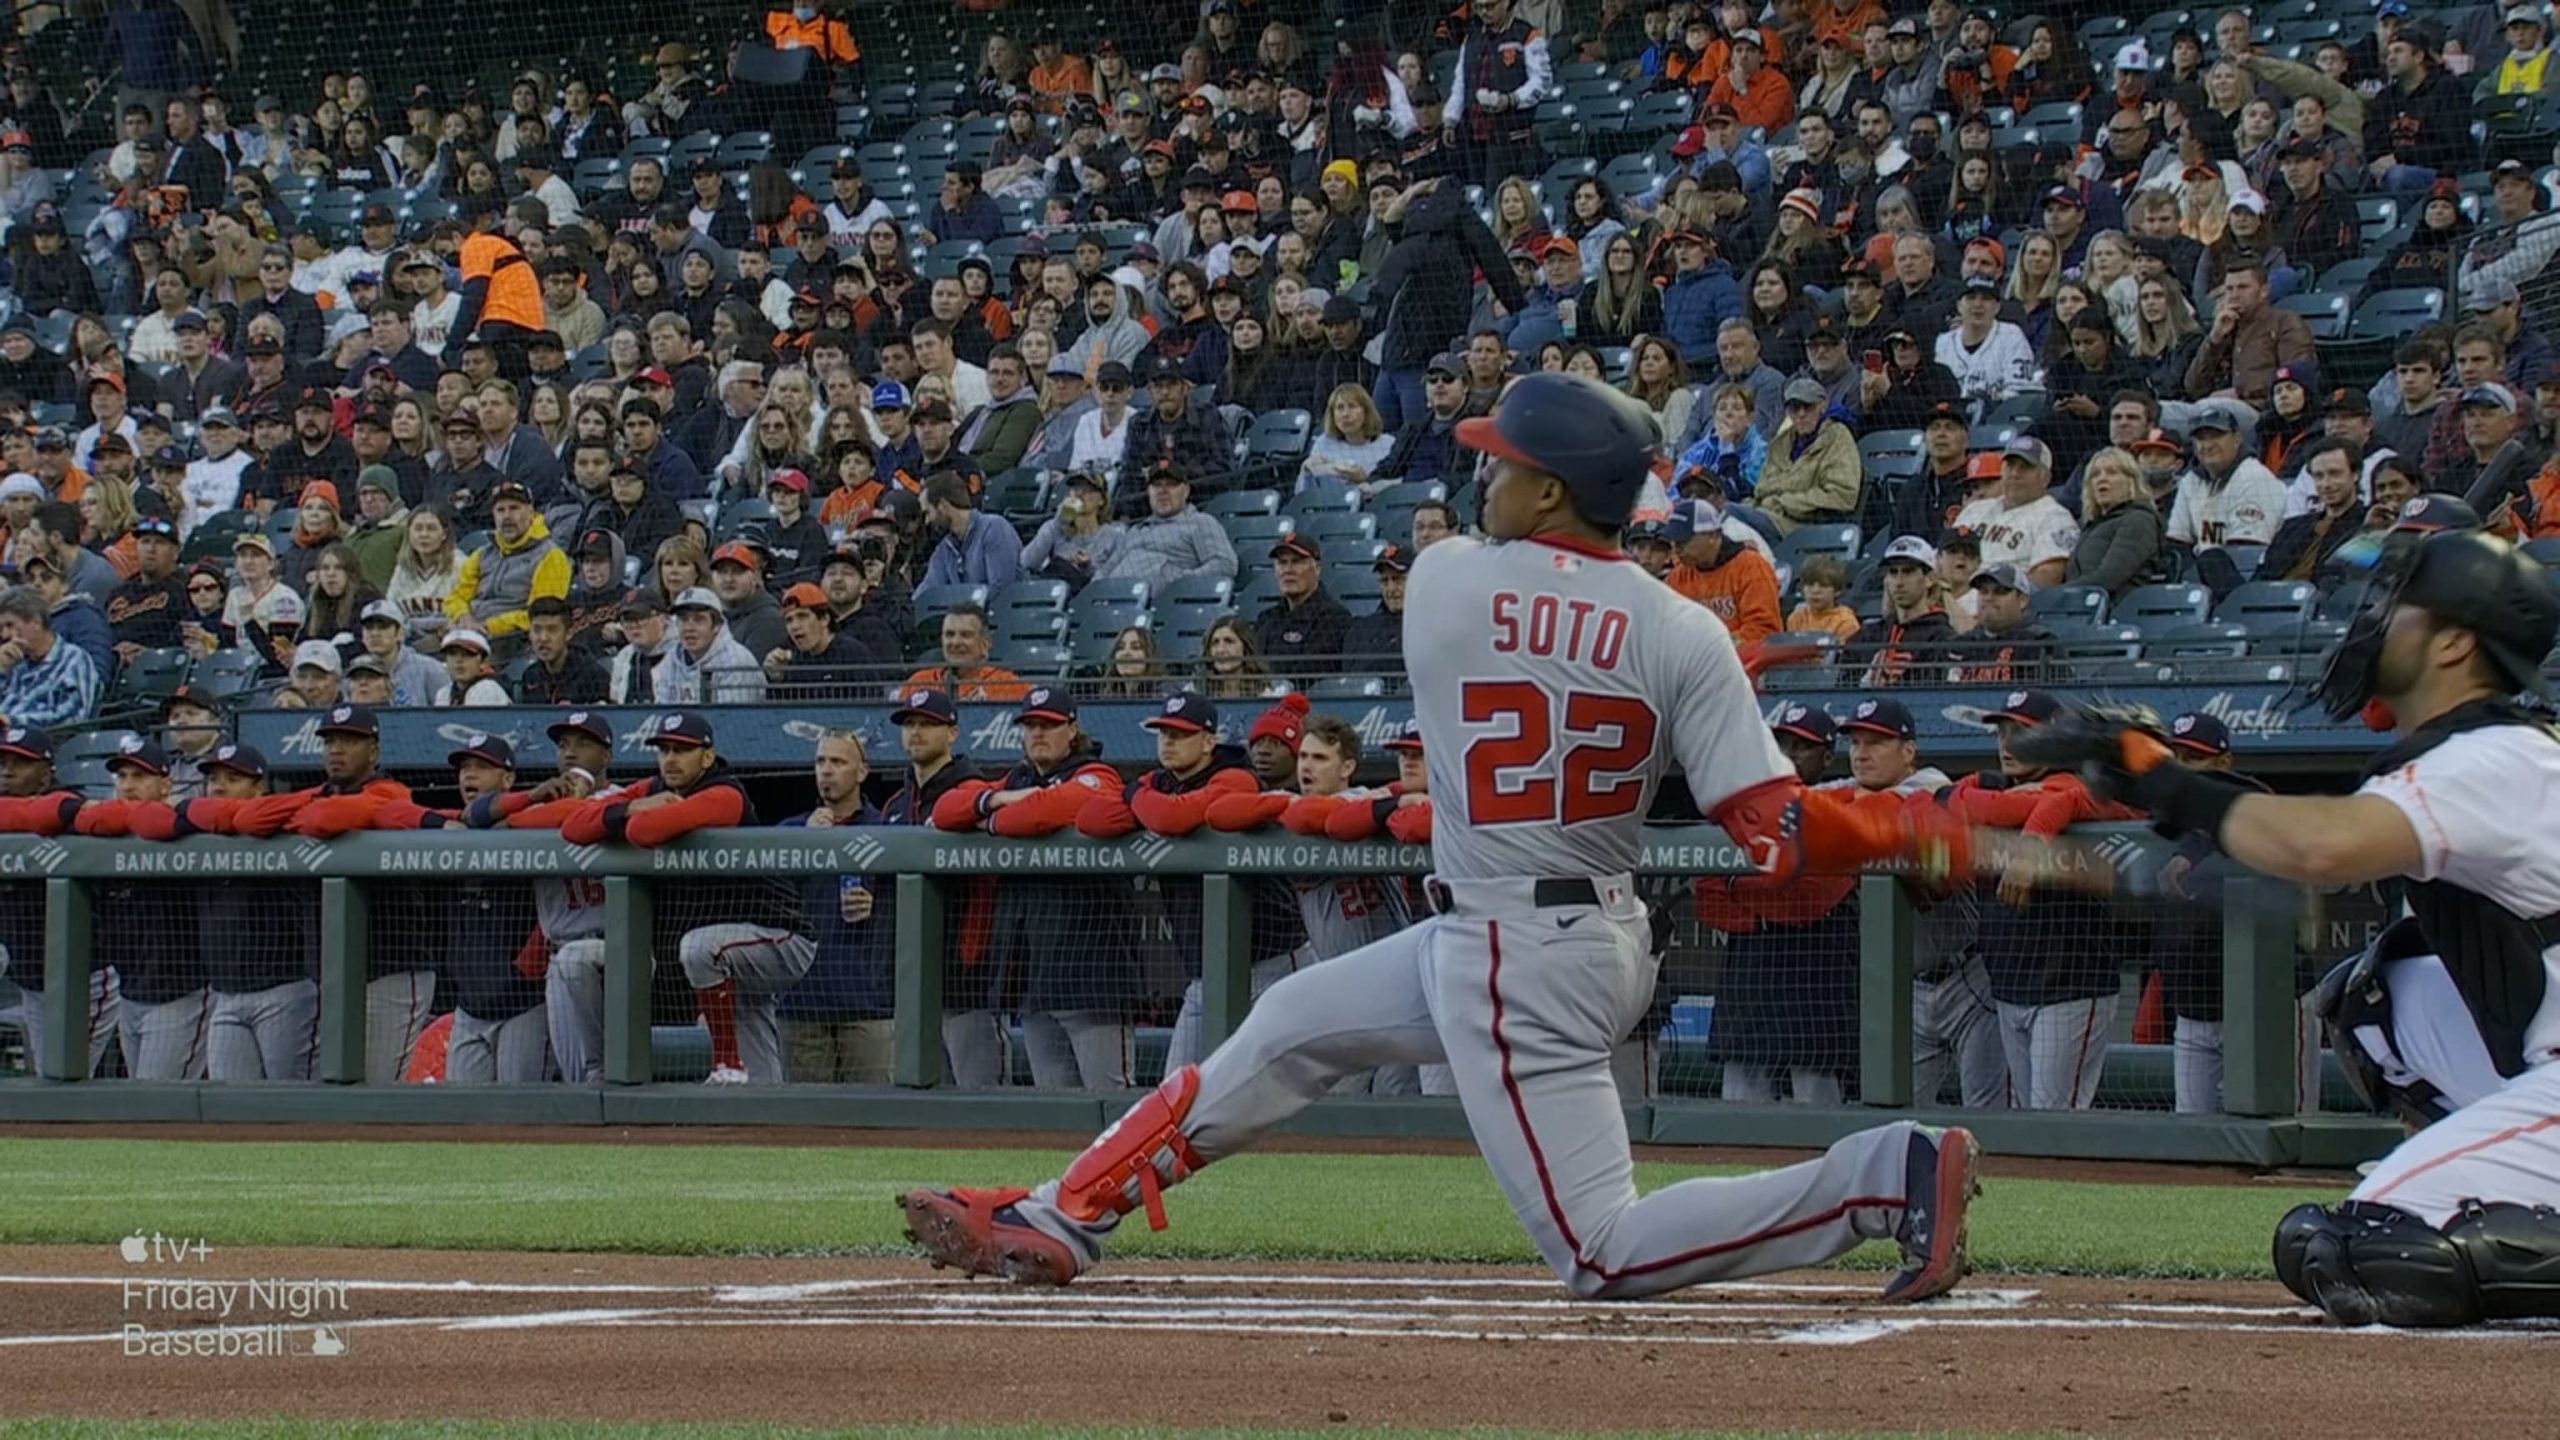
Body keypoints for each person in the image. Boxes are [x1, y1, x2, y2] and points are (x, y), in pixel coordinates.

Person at [899, 371, 1988, 1302]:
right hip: (1564, 935)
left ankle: (1880, 1178)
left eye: (1505, 462)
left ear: (1553, 488)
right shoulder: (1684, 630)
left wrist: (1678, 674)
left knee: (1600, 1252)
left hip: (1518, 955)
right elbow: (1776, 831)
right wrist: (1920, 835)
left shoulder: (1446, 577)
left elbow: (1542, 652)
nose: (1484, 474)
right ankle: (1062, 1214)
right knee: (1288, 1026)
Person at [2006, 529, 2560, 1327]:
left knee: (2366, 1248)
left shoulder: (2494, 752)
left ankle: (2475, 1195)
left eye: (2397, 605)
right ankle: (2496, 1177)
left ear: (2454, 644)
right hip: (2540, 1055)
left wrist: (2157, 776)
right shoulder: (2479, 750)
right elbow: (2315, 859)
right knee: (2378, 998)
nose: (2371, 619)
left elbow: (2318, 846)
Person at [555, 710, 794, 1085]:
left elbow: (643, 832)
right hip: (717, 946)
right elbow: (573, 827)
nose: (670, 759)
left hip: (776, 934)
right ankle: (603, 1072)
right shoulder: (652, 788)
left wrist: (636, 813)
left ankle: (727, 1064)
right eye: (664, 750)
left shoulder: (726, 793)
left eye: (682, 750)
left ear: (707, 756)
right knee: (758, 1064)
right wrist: (630, 806)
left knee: (702, 949)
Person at [928, 684, 1140, 1090]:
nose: (1038, 733)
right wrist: (995, 800)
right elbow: (945, 809)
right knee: (1052, 1109)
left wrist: (991, 821)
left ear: (1072, 730)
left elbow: (1043, 812)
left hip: (1094, 978)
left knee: (1112, 1104)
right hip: (1035, 981)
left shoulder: (1098, 775)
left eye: (1049, 724)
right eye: (1030, 725)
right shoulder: (1017, 779)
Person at [878, 687, 1005, 1088]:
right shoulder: (896, 805)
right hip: (911, 976)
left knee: (979, 1096)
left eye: (927, 724)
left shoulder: (973, 792)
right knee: (924, 1096)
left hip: (967, 972)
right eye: (909, 724)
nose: (916, 732)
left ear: (952, 733)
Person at [0, 726, 119, 1077]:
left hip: (83, 979)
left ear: (46, 772)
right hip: (31, 978)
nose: (7, 771)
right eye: (3, 762)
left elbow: (70, 810)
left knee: (65, 1077)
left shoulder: (70, 809)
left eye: (20, 763)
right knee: (48, 1077)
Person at [1955, 437, 2080, 589]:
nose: (2014, 473)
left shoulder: (2056, 518)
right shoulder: (1975, 509)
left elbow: (2047, 578)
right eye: (2010, 465)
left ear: (2045, 478)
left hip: (1998, 596)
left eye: (2025, 468)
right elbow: (1942, 556)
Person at [1659, 497, 1782, 647]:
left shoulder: (1751, 567)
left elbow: (1764, 631)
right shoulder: (1678, 577)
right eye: (1673, 543)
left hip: (1743, 659)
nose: (1677, 550)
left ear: (1712, 536)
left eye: (1683, 541)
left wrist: (1712, 648)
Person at [1854, 535, 1963, 686]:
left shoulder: (1942, 639)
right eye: (1893, 572)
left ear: (1929, 579)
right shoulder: (1869, 635)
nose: (1899, 582)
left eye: (1908, 571)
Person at [0, 585, 102, 729]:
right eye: (1, 629)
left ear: (36, 622)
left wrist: (13, 721)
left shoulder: (73, 660)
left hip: (40, 739)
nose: (4, 635)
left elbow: (74, 717)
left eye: (10, 625)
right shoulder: (13, 663)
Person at [1254, 533, 1350, 678]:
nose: (1288, 570)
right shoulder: (1266, 618)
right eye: (1282, 562)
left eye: (1296, 562)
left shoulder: (1335, 619)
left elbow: (1314, 673)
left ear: (1317, 568)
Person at [654, 587, 768, 705]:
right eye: (683, 619)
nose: (689, 628)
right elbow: (661, 710)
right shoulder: (672, 659)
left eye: (699, 620)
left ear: (717, 626)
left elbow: (732, 716)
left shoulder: (736, 661)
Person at [919, 472, 1025, 588]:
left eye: (928, 513)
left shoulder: (994, 529)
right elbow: (927, 590)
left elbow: (1001, 591)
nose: (927, 521)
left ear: (942, 506)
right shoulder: (945, 549)